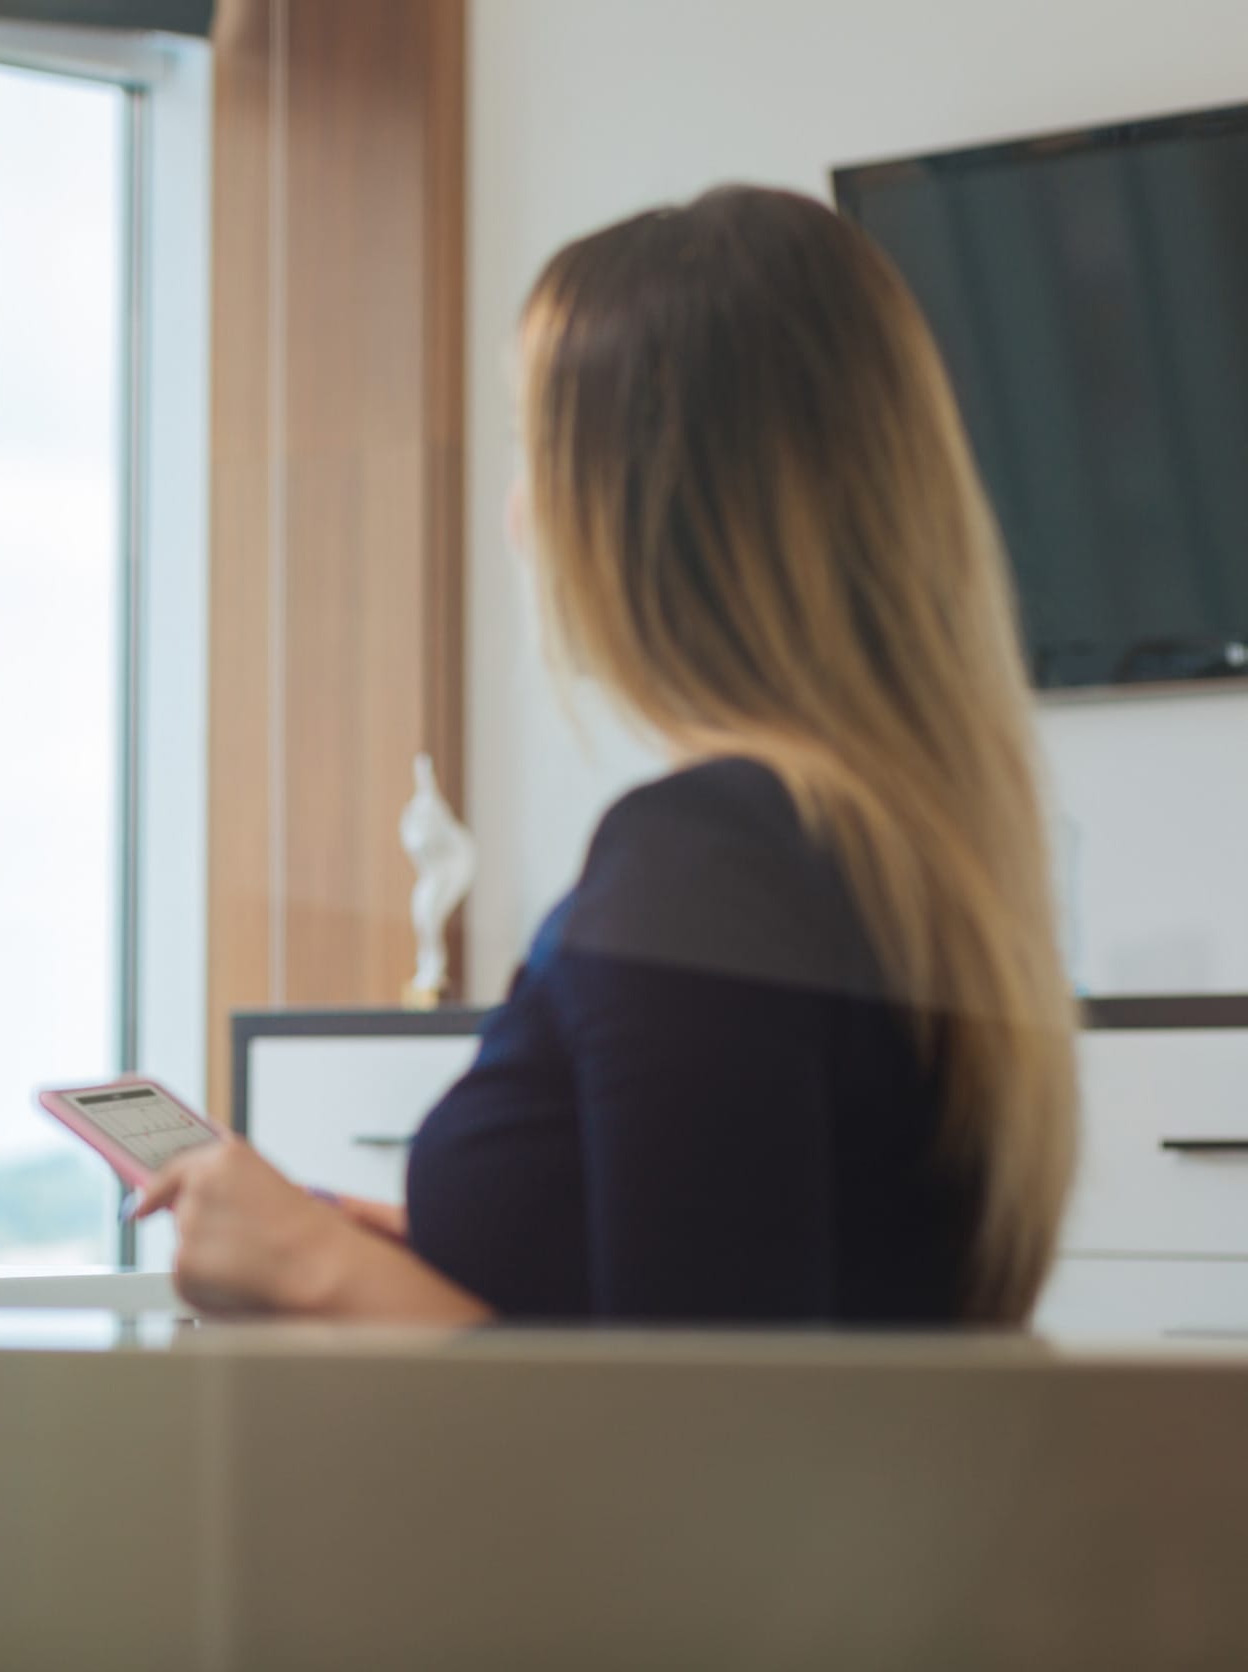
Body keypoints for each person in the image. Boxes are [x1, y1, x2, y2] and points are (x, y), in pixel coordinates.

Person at [137, 187, 1077, 1326]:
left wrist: (312, 1265)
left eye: (534, 448)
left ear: (645, 504)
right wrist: (425, 1255)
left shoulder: (705, 858)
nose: (518, 511)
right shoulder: (912, 852)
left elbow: (684, 1416)